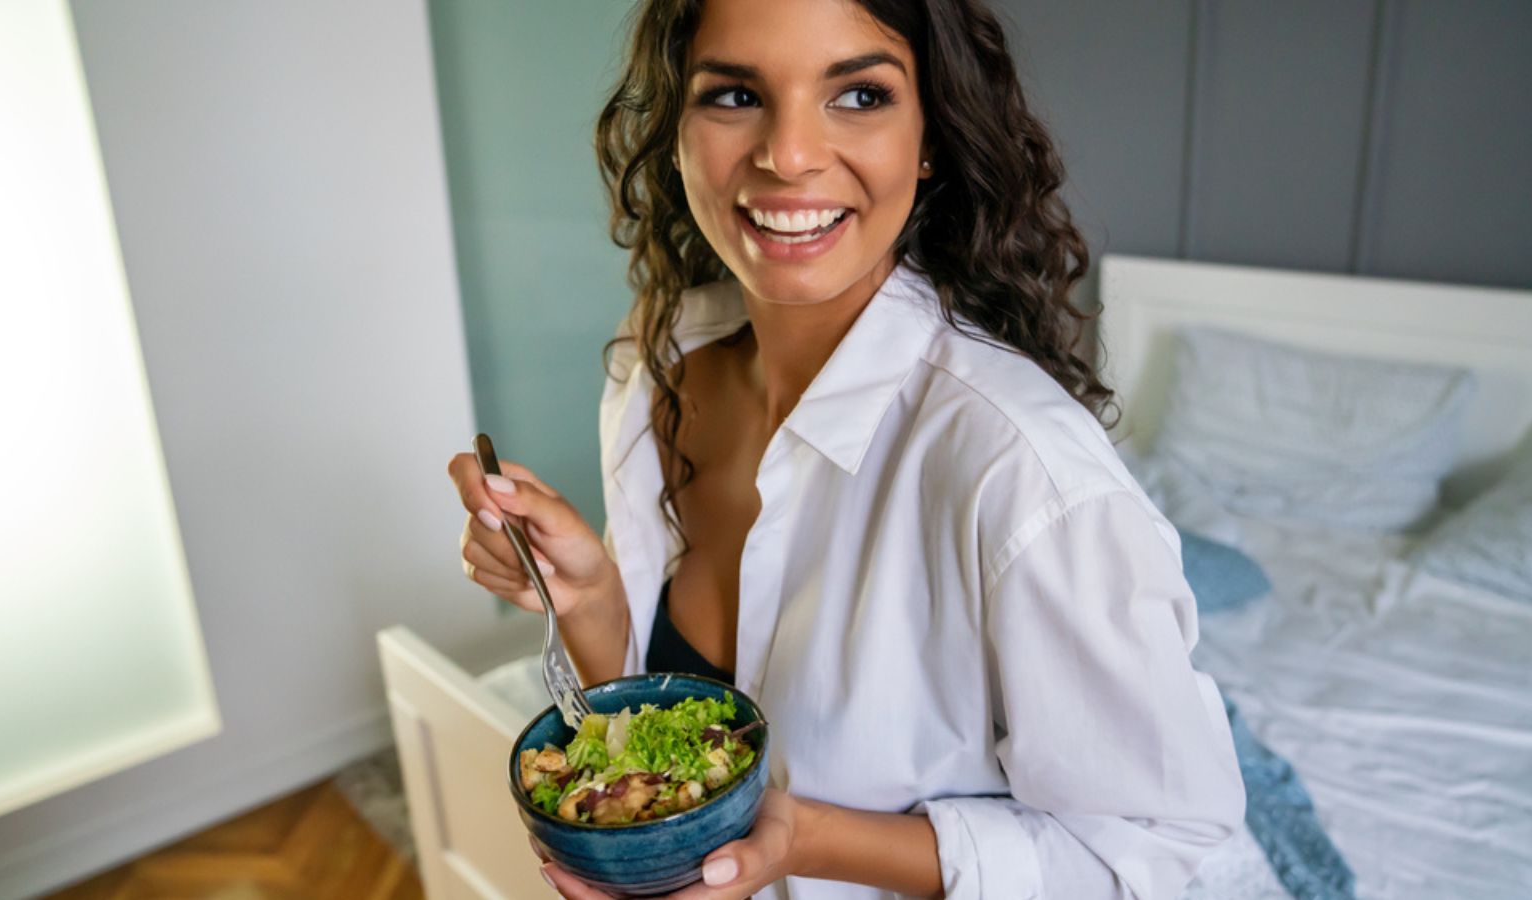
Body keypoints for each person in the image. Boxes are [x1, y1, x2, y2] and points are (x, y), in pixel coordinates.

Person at [447, 0, 1245, 897]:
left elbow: (1156, 850)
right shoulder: (658, 360)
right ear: (675, 130)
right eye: (736, 94)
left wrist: (807, 840)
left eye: (860, 96)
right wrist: (591, 601)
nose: (788, 155)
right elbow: (671, 733)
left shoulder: (1026, 478)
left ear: (930, 135)